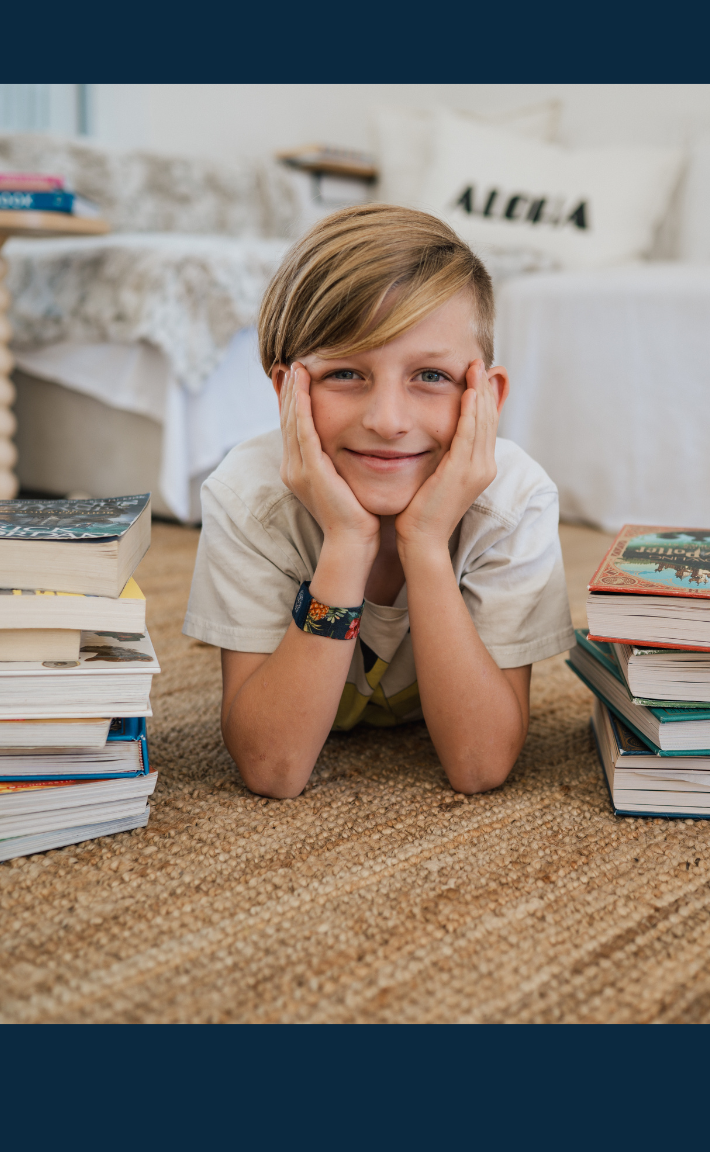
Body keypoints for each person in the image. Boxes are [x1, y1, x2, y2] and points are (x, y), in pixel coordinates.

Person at [183, 204, 574, 798]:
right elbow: (274, 767)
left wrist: (423, 544)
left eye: (431, 377)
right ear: (287, 391)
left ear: (485, 398)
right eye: (346, 373)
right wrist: (347, 543)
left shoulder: (513, 500)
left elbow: (479, 764)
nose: (388, 421)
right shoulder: (249, 497)